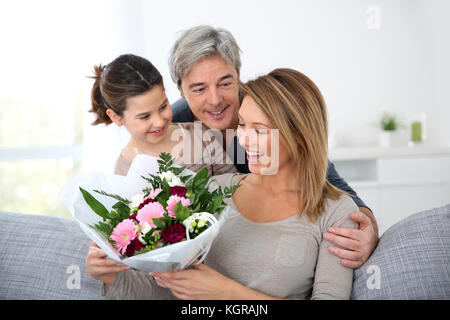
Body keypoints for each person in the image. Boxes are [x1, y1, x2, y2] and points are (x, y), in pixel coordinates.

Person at [95, 68, 359, 299]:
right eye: (242, 125)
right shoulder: (213, 190)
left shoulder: (336, 213)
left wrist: (227, 294)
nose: (244, 139)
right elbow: (167, 291)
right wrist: (108, 273)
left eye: (260, 130)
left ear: (299, 136)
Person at [168, 25, 378, 268]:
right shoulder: (173, 126)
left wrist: (368, 229)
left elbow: (328, 180)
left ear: (238, 76)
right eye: (199, 88)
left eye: (225, 83)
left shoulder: (264, 109)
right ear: (181, 90)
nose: (215, 100)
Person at [89, 53, 237, 177]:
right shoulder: (125, 172)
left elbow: (236, 188)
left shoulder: (199, 134)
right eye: (145, 116)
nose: (159, 122)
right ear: (116, 117)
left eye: (163, 106)